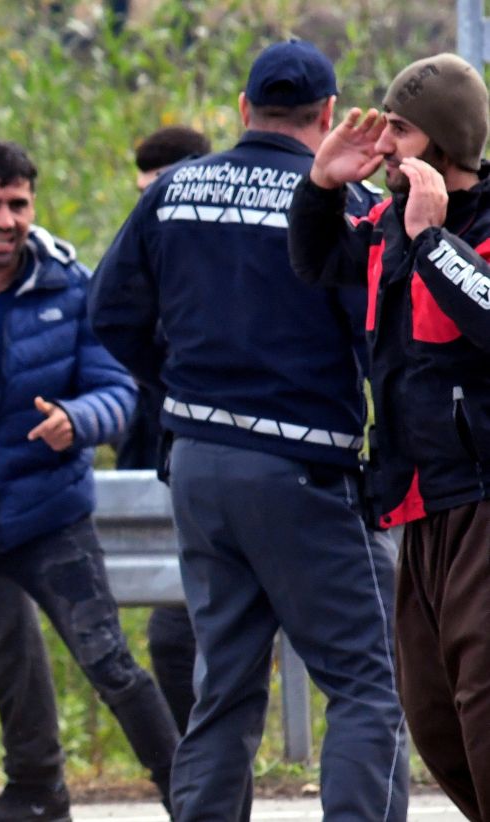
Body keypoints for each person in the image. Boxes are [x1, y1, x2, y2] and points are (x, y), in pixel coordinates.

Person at [91, 40, 408, 820]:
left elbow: (111, 313)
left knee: (222, 690)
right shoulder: (348, 204)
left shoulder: (173, 192)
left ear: (242, 110)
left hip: (198, 464)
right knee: (366, 685)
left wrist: (184, 392)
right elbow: (380, 345)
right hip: (302, 469)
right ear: (330, 115)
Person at [0, 141, 176, 821]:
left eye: (18, 204)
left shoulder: (72, 287)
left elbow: (119, 390)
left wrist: (78, 420)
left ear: (32, 207)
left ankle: (196, 800)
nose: (5, 219)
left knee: (109, 662)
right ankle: (36, 790)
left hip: (50, 515)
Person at [287, 53, 490, 819]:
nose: (385, 144)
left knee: (484, 704)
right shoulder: (383, 224)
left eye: (400, 130)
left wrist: (434, 239)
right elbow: (314, 262)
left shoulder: (455, 225)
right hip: (417, 500)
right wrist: (321, 186)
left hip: (483, 498)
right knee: (434, 715)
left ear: (443, 143)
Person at [120, 125, 212, 735]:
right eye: (142, 197)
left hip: (241, 474)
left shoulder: (218, 275)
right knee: (177, 640)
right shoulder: (140, 267)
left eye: (160, 195)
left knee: (184, 636)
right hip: (179, 475)